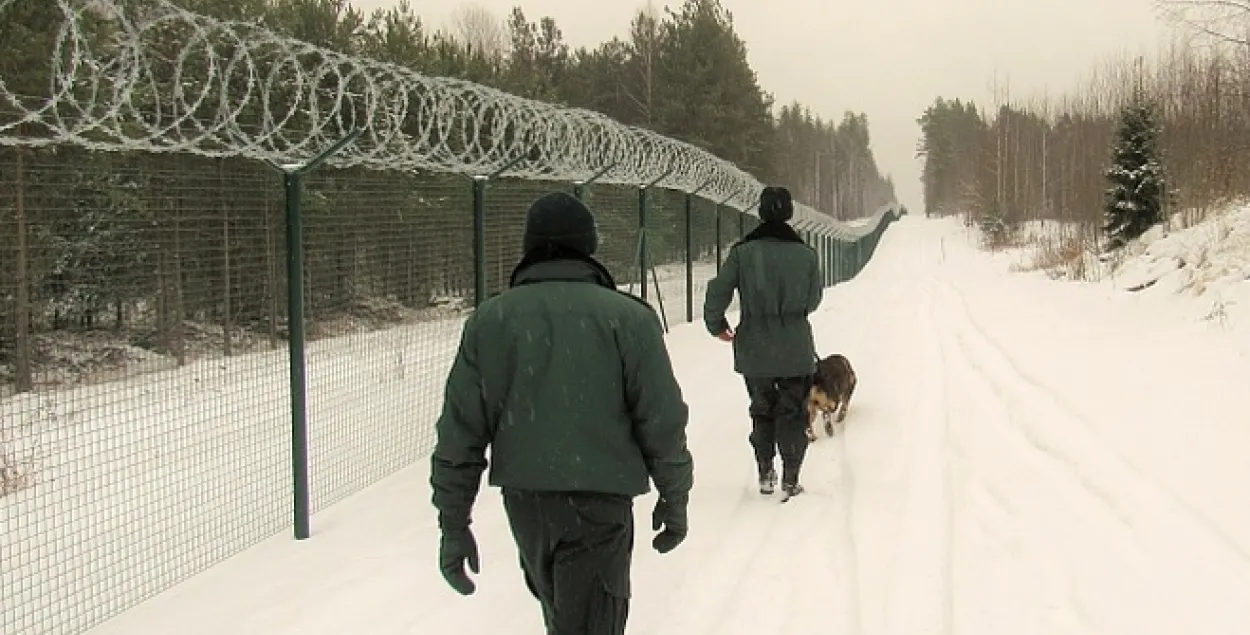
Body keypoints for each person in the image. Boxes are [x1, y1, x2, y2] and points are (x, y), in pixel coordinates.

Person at [429, 191, 694, 635]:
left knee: (565, 619)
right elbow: (662, 419)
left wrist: (453, 522)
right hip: (600, 501)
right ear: (589, 244)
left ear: (529, 246)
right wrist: (675, 495)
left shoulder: (491, 321)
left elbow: (461, 432)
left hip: (527, 505)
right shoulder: (628, 319)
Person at [703, 185, 822, 499]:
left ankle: (765, 470)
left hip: (754, 347)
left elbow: (717, 290)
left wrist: (716, 324)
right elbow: (813, 301)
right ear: (790, 213)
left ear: (760, 211)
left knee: (761, 409)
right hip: (795, 348)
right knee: (793, 413)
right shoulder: (806, 255)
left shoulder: (742, 253)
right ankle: (791, 478)